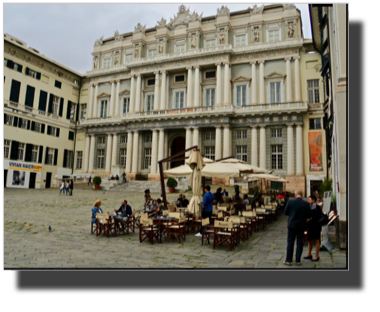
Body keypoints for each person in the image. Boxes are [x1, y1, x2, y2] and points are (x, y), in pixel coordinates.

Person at [284, 190, 311, 266]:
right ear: (302, 195)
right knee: (300, 242)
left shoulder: (290, 201)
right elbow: (309, 215)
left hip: (292, 224)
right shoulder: (306, 204)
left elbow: (285, 213)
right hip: (301, 225)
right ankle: (298, 260)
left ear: (295, 195)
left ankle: (288, 260)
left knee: (290, 242)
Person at [304, 195, 322, 262]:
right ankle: (309, 254)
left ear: (313, 200)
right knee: (309, 240)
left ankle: (316, 256)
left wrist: (311, 218)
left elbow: (318, 215)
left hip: (316, 226)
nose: (308, 201)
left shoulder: (317, 207)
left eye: (309, 199)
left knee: (316, 240)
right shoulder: (310, 207)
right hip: (310, 226)